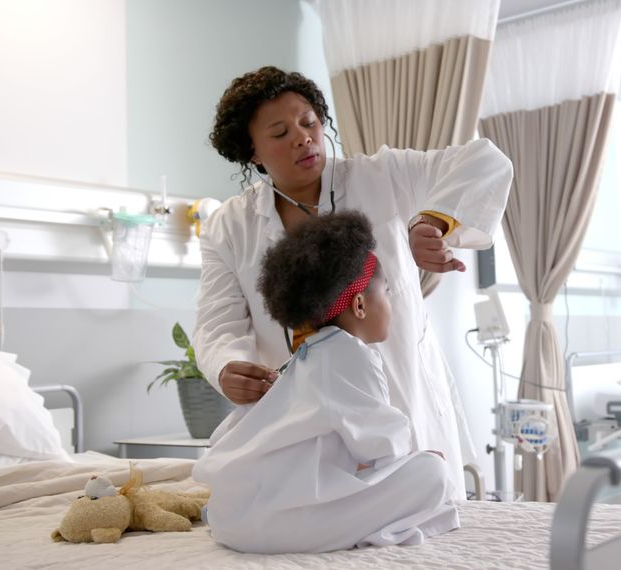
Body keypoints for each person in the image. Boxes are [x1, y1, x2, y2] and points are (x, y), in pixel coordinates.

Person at [193, 66, 512, 498]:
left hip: (400, 393)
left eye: (309, 123)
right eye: (280, 132)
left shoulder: (381, 176)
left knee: (417, 527)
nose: (303, 138)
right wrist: (227, 365)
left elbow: (485, 159)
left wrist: (432, 220)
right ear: (252, 150)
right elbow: (218, 324)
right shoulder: (227, 227)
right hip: (302, 417)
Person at [193, 212, 459, 554]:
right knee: (432, 472)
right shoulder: (351, 355)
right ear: (360, 304)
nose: (392, 303)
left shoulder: (304, 357)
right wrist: (416, 456)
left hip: (232, 517)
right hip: (274, 526)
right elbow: (382, 447)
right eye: (388, 292)